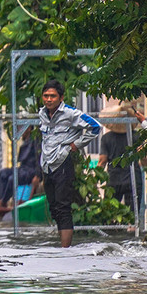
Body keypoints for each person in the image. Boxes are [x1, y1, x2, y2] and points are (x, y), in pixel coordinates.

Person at [38, 80, 101, 247]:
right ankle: (62, 246)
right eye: (46, 96)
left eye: (52, 96)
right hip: (47, 165)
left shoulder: (70, 113)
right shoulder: (42, 114)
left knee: (63, 206)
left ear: (61, 97)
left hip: (62, 163)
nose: (49, 99)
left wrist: (76, 145)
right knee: (53, 207)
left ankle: (65, 250)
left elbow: (95, 127)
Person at [98, 102, 137, 210]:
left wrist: (96, 179)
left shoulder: (106, 138)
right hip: (132, 178)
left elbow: (102, 161)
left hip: (113, 179)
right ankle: (132, 227)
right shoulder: (136, 137)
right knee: (133, 213)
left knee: (110, 211)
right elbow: (143, 158)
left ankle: (113, 227)